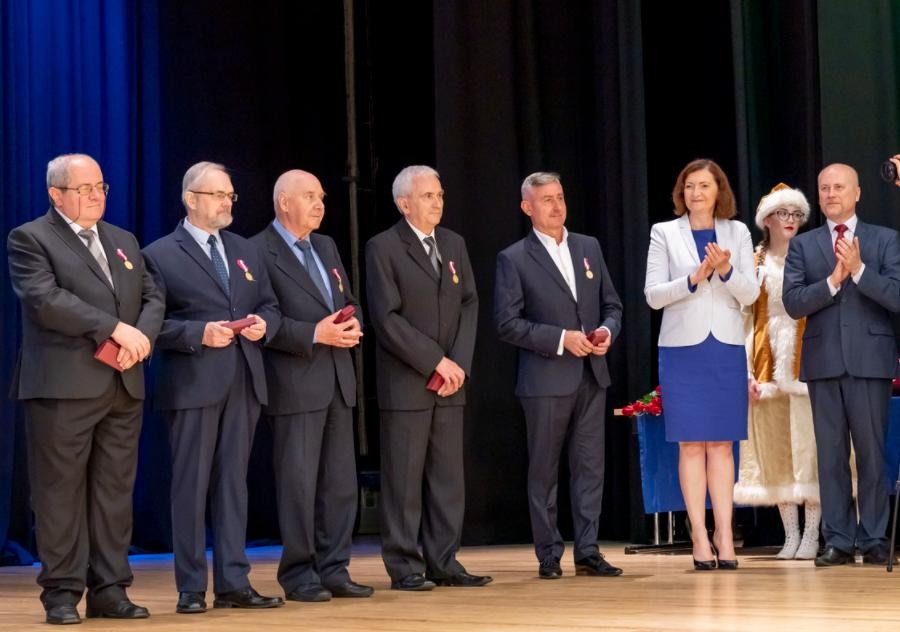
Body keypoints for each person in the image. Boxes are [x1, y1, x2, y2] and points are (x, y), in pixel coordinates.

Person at [7, 154, 164, 624]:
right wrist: (115, 328)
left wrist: (141, 338)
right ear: (55, 195)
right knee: (60, 495)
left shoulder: (123, 239)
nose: (96, 195)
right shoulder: (30, 238)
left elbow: (153, 294)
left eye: (101, 187)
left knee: (113, 492)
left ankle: (110, 590)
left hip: (122, 383)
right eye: (84, 188)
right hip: (62, 388)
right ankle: (61, 592)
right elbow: (46, 300)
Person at [142, 162, 283, 612]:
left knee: (233, 485)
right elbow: (151, 325)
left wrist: (265, 324)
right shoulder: (159, 254)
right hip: (192, 384)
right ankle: (190, 587)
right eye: (218, 194)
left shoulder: (245, 249)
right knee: (191, 485)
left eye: (230, 195)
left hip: (243, 379)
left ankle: (233, 583)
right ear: (191, 199)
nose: (227, 202)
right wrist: (198, 333)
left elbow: (270, 305)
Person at [365, 165, 491, 590]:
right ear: (404, 204)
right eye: (427, 196)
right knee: (404, 481)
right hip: (407, 384)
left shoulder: (454, 243)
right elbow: (386, 318)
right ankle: (404, 567)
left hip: (451, 383)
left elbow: (470, 303)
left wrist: (458, 363)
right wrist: (436, 361)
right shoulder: (383, 247)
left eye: (439, 195)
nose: (437, 202)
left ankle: (444, 561)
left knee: (447, 479)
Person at [494, 172, 624, 579]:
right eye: (546, 199)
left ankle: (588, 550)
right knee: (544, 471)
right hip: (545, 380)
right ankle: (548, 554)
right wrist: (561, 339)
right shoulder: (514, 258)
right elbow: (507, 324)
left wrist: (607, 332)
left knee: (590, 468)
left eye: (560, 197)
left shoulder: (588, 246)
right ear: (526, 207)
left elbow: (612, 306)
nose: (556, 206)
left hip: (591, 375)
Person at [250, 170, 372, 601]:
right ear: (284, 202)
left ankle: (335, 569)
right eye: (309, 197)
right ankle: (299, 574)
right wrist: (315, 334)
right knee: (299, 487)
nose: (320, 204)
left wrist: (352, 320)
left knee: (340, 485)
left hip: (338, 379)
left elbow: (346, 299)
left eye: (321, 197)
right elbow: (264, 322)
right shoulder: (257, 250)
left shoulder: (326, 245)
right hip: (295, 384)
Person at [644, 158, 759, 571]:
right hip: (682, 351)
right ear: (682, 192)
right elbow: (653, 295)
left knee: (722, 445)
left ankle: (724, 533)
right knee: (691, 444)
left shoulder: (737, 232)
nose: (696, 193)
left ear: (718, 191)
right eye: (689, 185)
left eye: (704, 185)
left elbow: (750, 294)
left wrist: (725, 270)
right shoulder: (664, 232)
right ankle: (698, 534)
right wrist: (693, 278)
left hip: (724, 348)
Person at [783, 163, 900, 566]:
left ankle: (874, 537)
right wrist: (833, 281)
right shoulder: (804, 245)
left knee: (872, 454)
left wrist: (859, 271)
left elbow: (897, 296)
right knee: (831, 456)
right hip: (824, 362)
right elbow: (793, 302)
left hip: (870, 361)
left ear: (857, 193)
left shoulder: (885, 240)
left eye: (839, 187)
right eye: (824, 188)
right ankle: (838, 539)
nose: (831, 194)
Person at [733, 184, 821, 560]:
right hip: (765, 366)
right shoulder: (753, 263)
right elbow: (743, 320)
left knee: (809, 450)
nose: (790, 221)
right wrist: (745, 371)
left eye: (796, 214)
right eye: (782, 213)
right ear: (766, 220)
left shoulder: (813, 257)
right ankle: (790, 534)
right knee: (775, 451)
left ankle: (812, 534)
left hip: (806, 364)